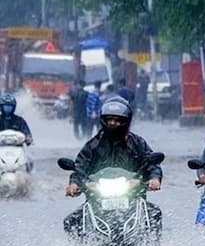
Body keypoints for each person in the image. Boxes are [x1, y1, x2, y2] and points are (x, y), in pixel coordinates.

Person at [63, 96, 163, 235]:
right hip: (97, 198)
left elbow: (151, 164)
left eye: (117, 120)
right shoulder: (93, 145)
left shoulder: (137, 143)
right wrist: (74, 184)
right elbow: (80, 167)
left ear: (126, 121)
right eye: (109, 119)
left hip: (132, 196)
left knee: (154, 213)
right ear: (103, 119)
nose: (112, 123)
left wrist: (154, 179)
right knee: (71, 221)